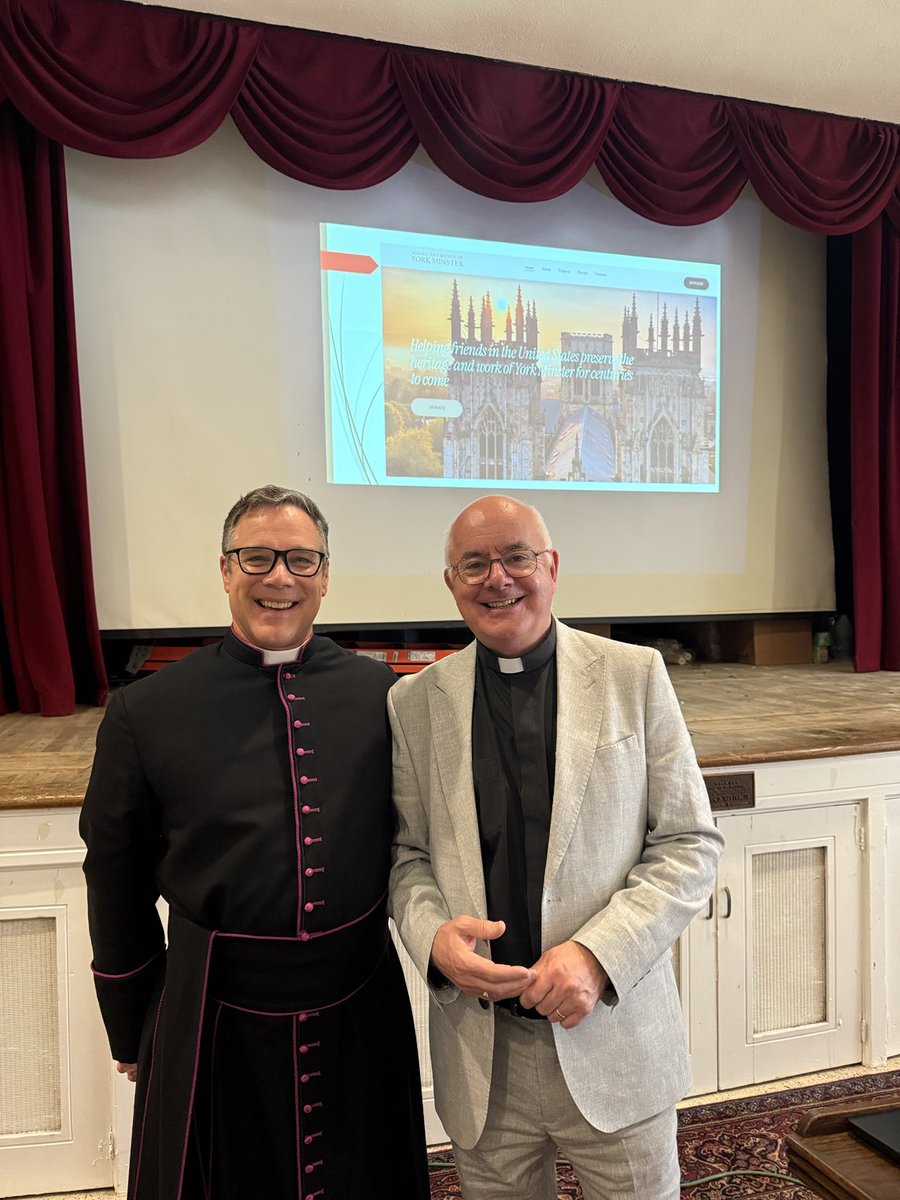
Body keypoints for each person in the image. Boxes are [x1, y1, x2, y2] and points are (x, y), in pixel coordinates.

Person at [80, 485, 429, 1200]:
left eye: (302, 560)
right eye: (258, 557)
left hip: (358, 1000)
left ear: (325, 575)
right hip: (215, 1011)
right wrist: (133, 1023)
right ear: (225, 569)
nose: (280, 577)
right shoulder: (146, 711)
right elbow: (114, 877)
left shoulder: (380, 694)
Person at [388, 494, 724, 1200]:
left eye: (517, 557)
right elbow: (408, 857)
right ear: (451, 583)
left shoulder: (634, 675)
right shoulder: (413, 702)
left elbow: (690, 843)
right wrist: (433, 943)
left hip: (613, 1036)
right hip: (486, 1062)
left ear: (553, 567)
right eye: (473, 563)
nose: (497, 578)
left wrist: (598, 957)